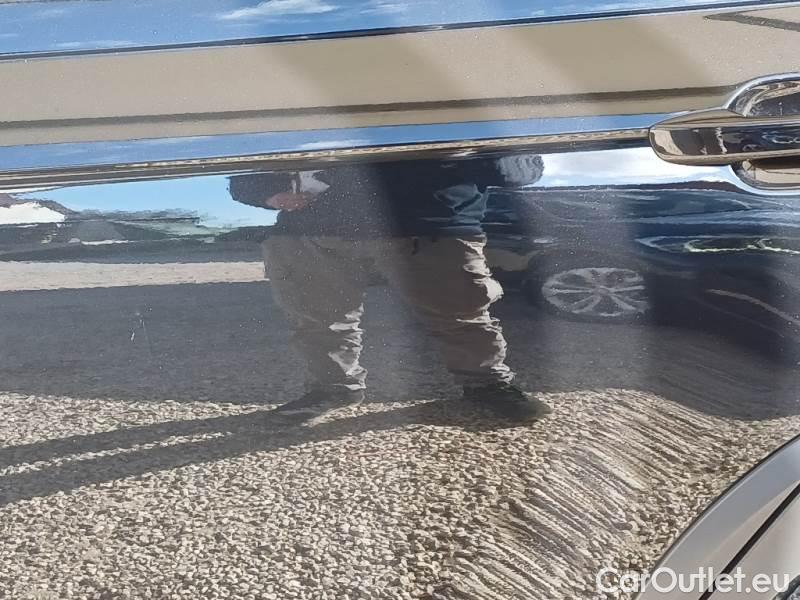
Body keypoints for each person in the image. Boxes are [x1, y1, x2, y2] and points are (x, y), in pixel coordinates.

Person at [228, 153, 549, 421]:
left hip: (427, 224)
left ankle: (487, 385)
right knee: (316, 320)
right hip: (306, 230)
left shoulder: (459, 110)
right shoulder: (301, 109)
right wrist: (268, 194)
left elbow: (525, 168)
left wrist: (459, 157)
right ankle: (332, 389)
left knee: (461, 315)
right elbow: (247, 172)